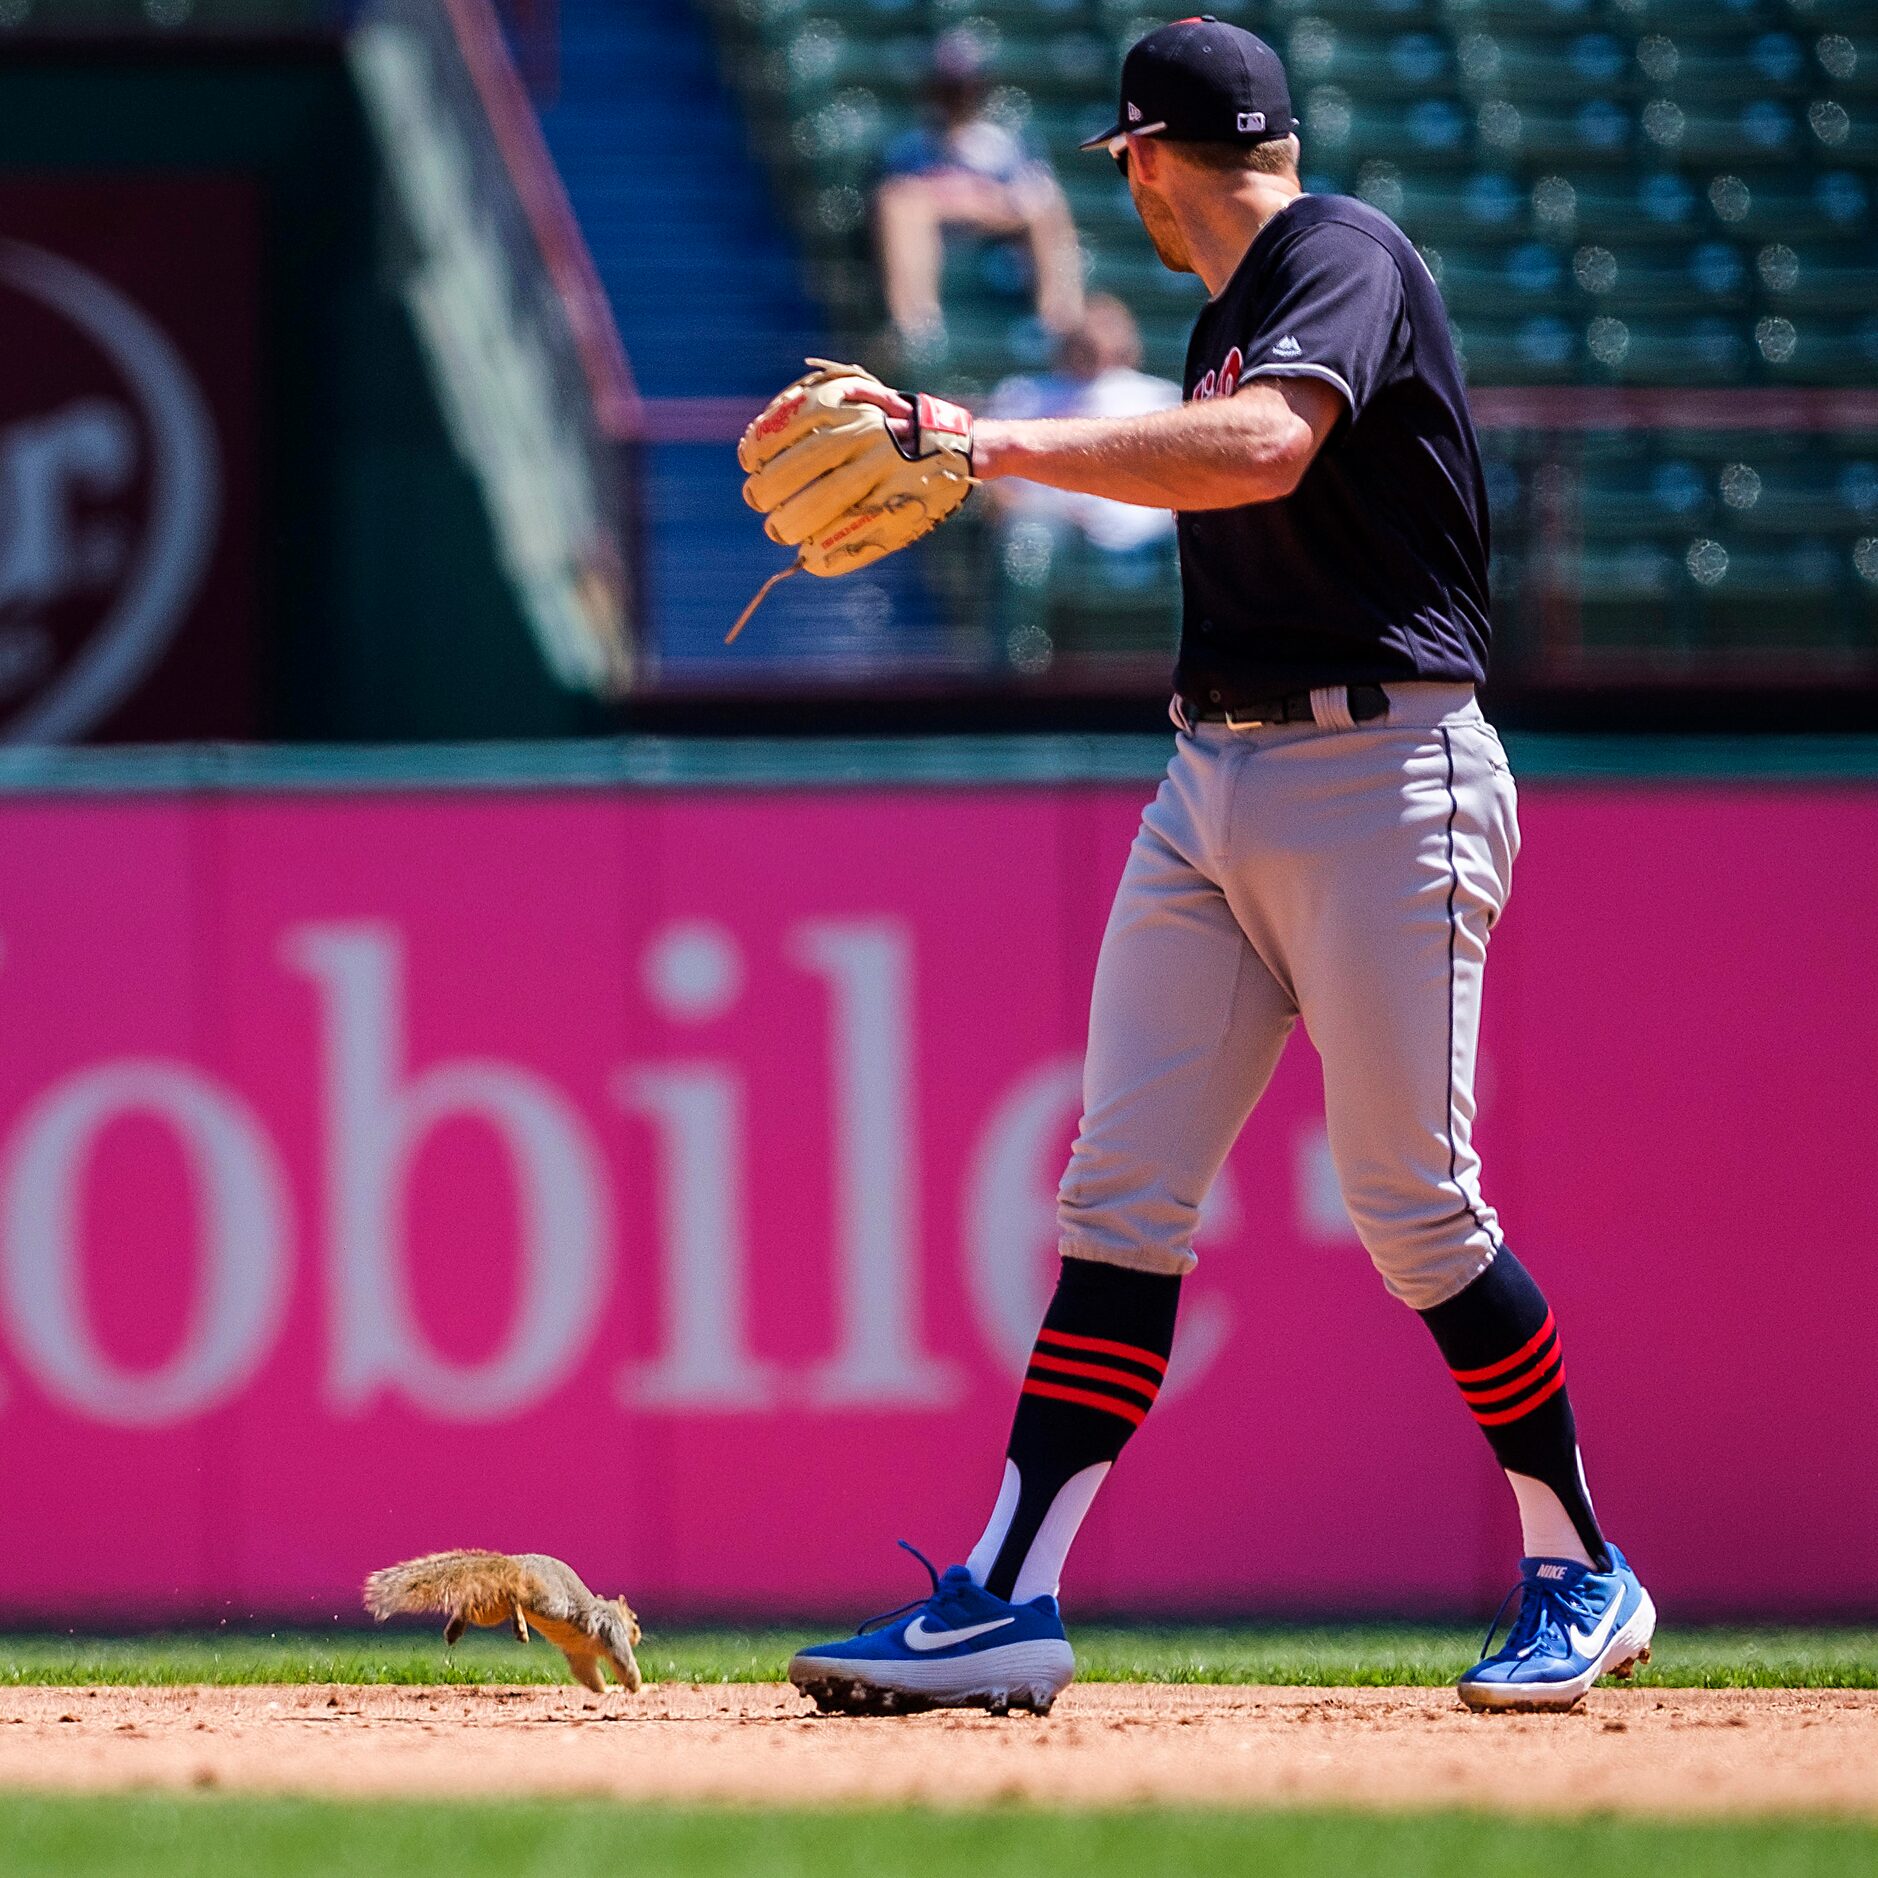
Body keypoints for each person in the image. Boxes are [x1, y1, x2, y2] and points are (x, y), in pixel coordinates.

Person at [788, 18, 1655, 1718]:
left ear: (1141, 158)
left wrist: (989, 443)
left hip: (1382, 768)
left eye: (1121, 159)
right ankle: (1008, 1599)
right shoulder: (1222, 316)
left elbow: (1266, 448)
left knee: (1415, 1207)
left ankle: (1578, 1558)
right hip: (1215, 778)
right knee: (1119, 1202)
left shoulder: (1335, 252)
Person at [985, 295, 1181, 665]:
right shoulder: (1024, 394)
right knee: (1028, 539)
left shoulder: (1160, 397)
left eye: (1109, 323)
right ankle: (1018, 684)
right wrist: (1047, 510)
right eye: (1090, 322)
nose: (1095, 335)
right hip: (1058, 533)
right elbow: (995, 488)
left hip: (1154, 537)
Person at [873, 28, 1085, 363]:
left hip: (993, 223)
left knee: (1047, 203)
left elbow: (1031, 192)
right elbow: (897, 195)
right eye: (949, 88)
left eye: (966, 87)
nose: (958, 96)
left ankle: (1060, 319)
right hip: (935, 225)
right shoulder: (910, 145)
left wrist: (974, 198)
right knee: (901, 204)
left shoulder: (1002, 142)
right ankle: (916, 324)